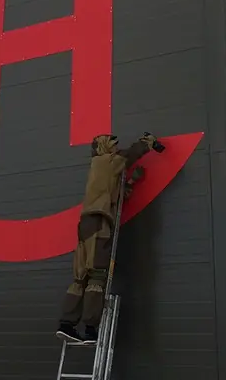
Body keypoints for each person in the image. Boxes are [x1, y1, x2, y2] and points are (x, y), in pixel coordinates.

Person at [55, 132, 159, 343]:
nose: (115, 148)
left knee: (81, 276)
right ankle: (91, 328)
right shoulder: (106, 161)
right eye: (111, 144)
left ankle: (67, 324)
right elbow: (130, 155)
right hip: (99, 222)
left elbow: (116, 195)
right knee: (97, 275)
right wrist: (147, 143)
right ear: (102, 147)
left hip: (87, 222)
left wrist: (132, 180)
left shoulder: (102, 169)